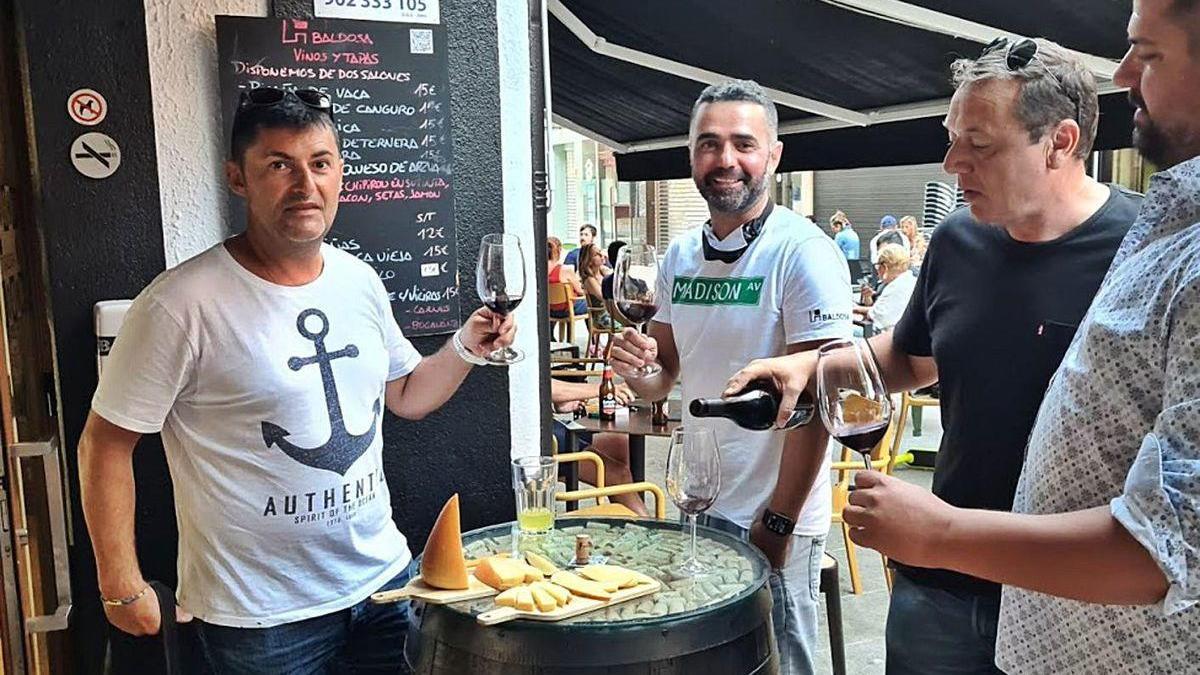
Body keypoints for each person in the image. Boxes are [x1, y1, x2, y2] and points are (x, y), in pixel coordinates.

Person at [727, 35, 1143, 675]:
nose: (952, 163)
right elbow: (910, 355)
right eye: (952, 138)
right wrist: (809, 368)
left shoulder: (1145, 253)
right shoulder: (957, 239)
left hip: (1076, 601)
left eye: (979, 145)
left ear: (1061, 142)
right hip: (940, 587)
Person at [78, 88, 516, 672]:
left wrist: (466, 346)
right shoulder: (180, 305)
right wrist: (120, 585)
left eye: (320, 163)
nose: (304, 185)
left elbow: (407, 395)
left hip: (384, 587)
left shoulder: (358, 281)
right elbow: (105, 443)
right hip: (259, 622)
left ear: (340, 175)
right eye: (279, 165)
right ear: (238, 178)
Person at [610, 79, 851, 674]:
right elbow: (662, 379)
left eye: (743, 143)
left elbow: (820, 397)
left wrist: (779, 523)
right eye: (709, 144)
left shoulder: (804, 252)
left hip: (777, 514)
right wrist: (635, 371)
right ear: (691, 155)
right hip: (698, 503)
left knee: (779, 663)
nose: (725, 160)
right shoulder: (678, 256)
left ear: (773, 154)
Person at [550, 378, 647, 516]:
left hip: (547, 425)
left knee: (617, 443)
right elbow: (538, 383)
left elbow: (540, 386)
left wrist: (557, 403)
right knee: (618, 474)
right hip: (532, 440)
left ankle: (623, 518)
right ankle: (648, 532)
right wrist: (604, 390)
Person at [853, 243, 916, 332]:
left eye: (878, 266)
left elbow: (876, 316)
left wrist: (855, 309)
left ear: (885, 267)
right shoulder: (910, 281)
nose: (877, 270)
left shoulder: (895, 287)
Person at [547, 236, 588, 319]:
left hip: (549, 310)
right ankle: (593, 331)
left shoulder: (540, 270)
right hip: (566, 310)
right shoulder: (566, 269)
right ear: (559, 250)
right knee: (591, 303)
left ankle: (549, 332)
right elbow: (581, 291)